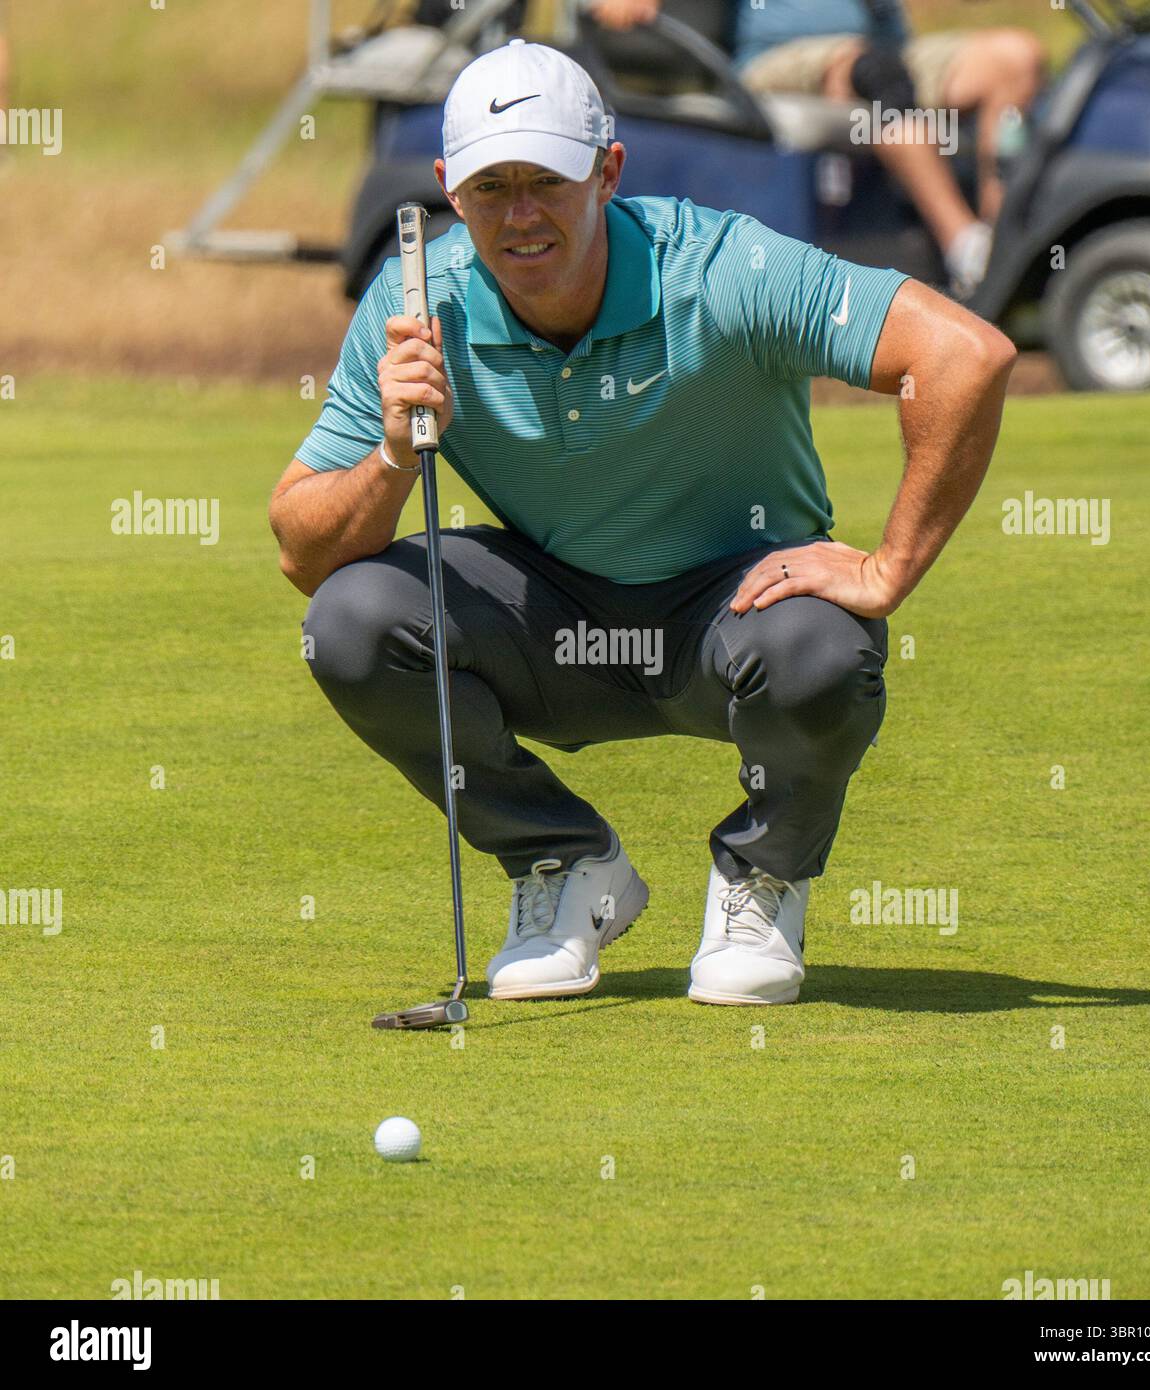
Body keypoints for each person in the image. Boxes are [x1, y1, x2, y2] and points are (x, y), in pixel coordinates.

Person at [270, 39, 1014, 1008]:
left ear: (608, 172)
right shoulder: (418, 303)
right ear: (450, 189)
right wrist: (389, 454)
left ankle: (762, 875)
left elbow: (965, 357)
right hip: (553, 615)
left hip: (740, 611)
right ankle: (564, 862)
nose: (521, 214)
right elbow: (301, 549)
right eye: (492, 187)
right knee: (350, 620)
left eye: (547, 179)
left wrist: (887, 569)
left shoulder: (722, 266)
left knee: (824, 650)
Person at [589, 0, 1047, 297]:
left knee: (1015, 58)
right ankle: (964, 245)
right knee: (879, 75)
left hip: (885, 52)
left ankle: (1002, 240)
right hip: (782, 61)